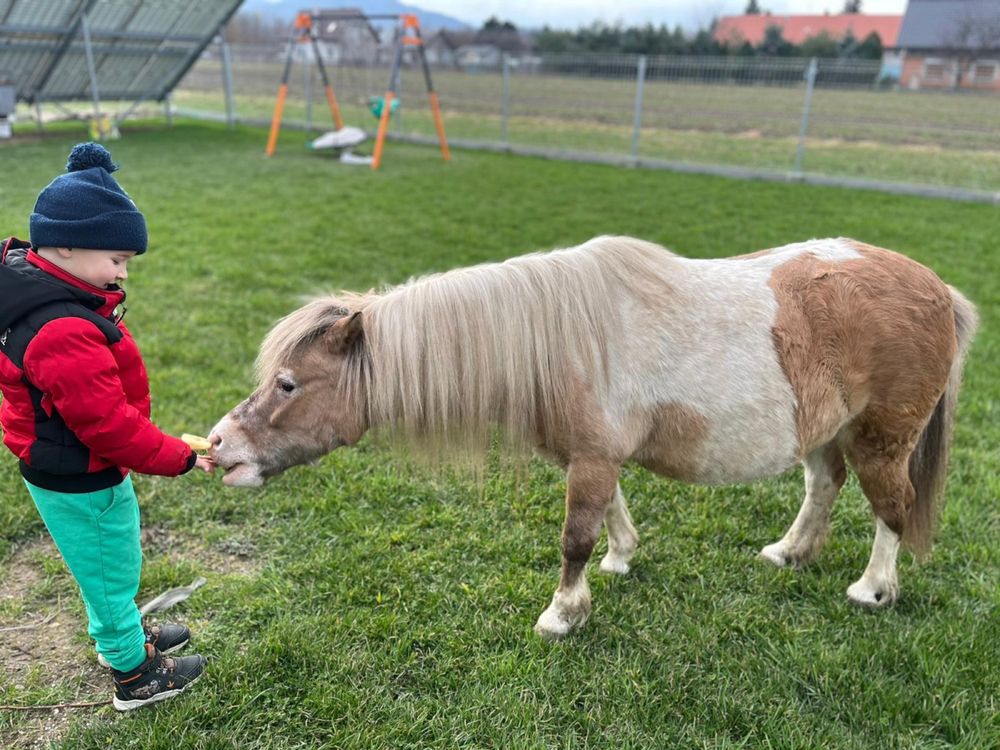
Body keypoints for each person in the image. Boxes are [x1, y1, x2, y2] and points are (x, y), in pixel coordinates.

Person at [0, 143, 214, 711]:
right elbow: (107, 425)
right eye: (116, 259)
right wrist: (178, 455)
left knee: (103, 566)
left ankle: (117, 640)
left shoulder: (44, 291)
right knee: (111, 572)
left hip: (66, 467)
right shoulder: (61, 328)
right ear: (65, 244)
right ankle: (135, 674)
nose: (122, 273)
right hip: (81, 475)